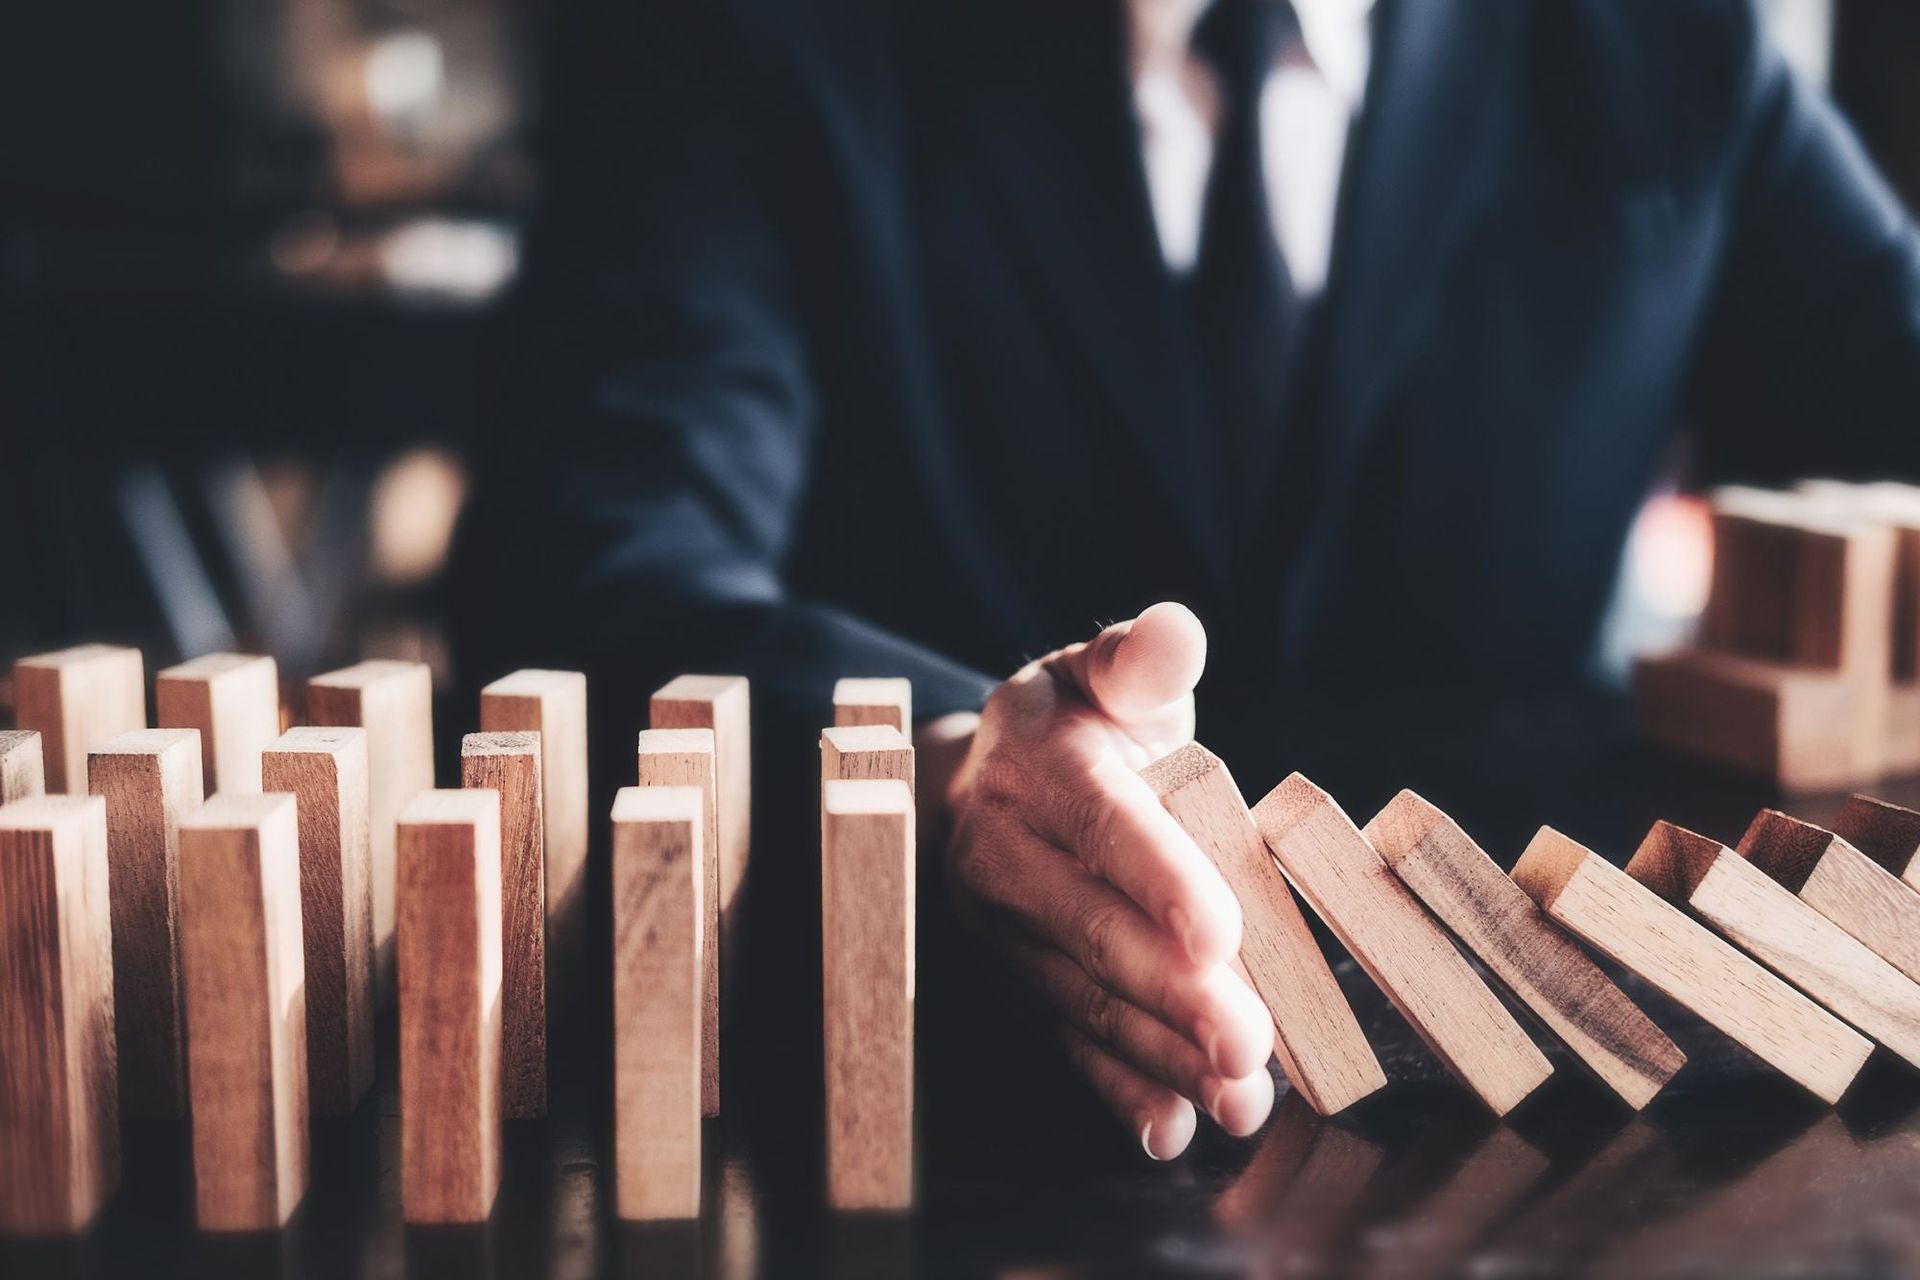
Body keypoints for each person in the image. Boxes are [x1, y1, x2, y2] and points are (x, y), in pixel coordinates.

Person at [453, 0, 1920, 1158]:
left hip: (1561, 1112)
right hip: (940, 1107)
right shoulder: (742, 33)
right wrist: (944, 763)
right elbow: (589, 568)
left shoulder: (1667, 39)